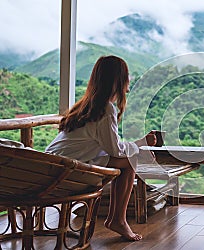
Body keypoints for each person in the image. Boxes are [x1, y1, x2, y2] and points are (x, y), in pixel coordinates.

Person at [45, 55, 156, 241]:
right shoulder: (106, 109)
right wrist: (142, 144)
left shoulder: (86, 106)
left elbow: (110, 148)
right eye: (127, 75)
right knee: (130, 161)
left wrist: (139, 146)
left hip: (53, 166)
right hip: (65, 173)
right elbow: (116, 151)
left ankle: (117, 220)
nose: (129, 80)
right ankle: (118, 220)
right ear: (118, 80)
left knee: (130, 160)